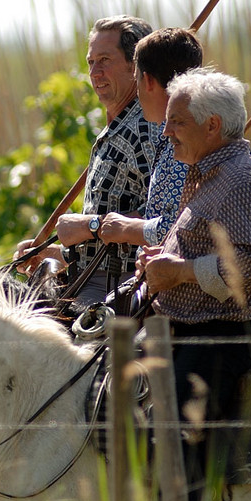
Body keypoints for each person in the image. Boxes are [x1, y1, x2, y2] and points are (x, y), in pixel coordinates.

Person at [135, 67, 251, 501]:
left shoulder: (244, 180)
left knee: (180, 416)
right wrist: (159, 265)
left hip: (231, 330)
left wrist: (181, 272)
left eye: (176, 122)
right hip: (191, 324)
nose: (165, 132)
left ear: (212, 126)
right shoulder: (206, 173)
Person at [14, 15, 156, 308]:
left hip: (124, 286)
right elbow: (98, 245)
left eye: (105, 60)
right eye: (91, 62)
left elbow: (167, 218)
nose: (95, 72)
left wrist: (89, 224)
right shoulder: (113, 130)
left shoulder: (146, 130)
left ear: (135, 66)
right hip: (89, 278)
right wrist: (47, 253)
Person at [96, 27, 202, 249]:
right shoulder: (181, 135)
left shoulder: (183, 145)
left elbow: (176, 226)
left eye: (137, 80)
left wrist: (121, 227)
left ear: (148, 81)